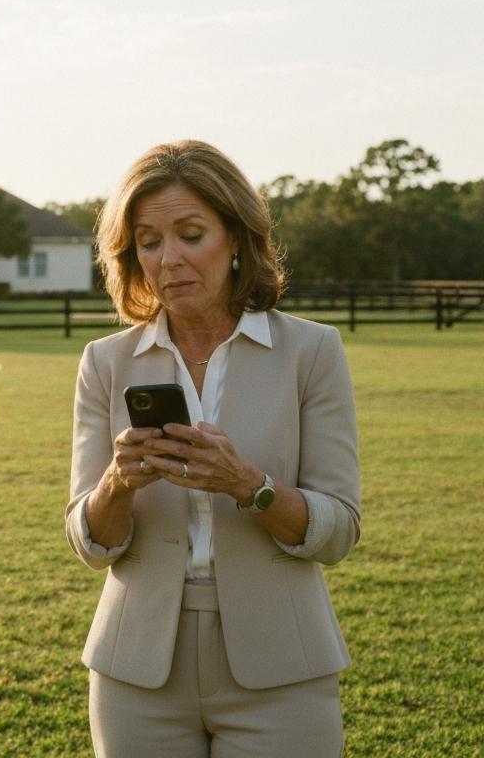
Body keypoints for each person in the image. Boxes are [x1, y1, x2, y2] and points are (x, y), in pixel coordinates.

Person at [66, 140, 360, 758]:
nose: (168, 259)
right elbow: (88, 542)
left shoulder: (312, 353)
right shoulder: (105, 362)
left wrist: (248, 485)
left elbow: (338, 532)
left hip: (284, 666)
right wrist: (118, 483)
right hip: (137, 672)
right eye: (149, 241)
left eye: (190, 233)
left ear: (236, 238)